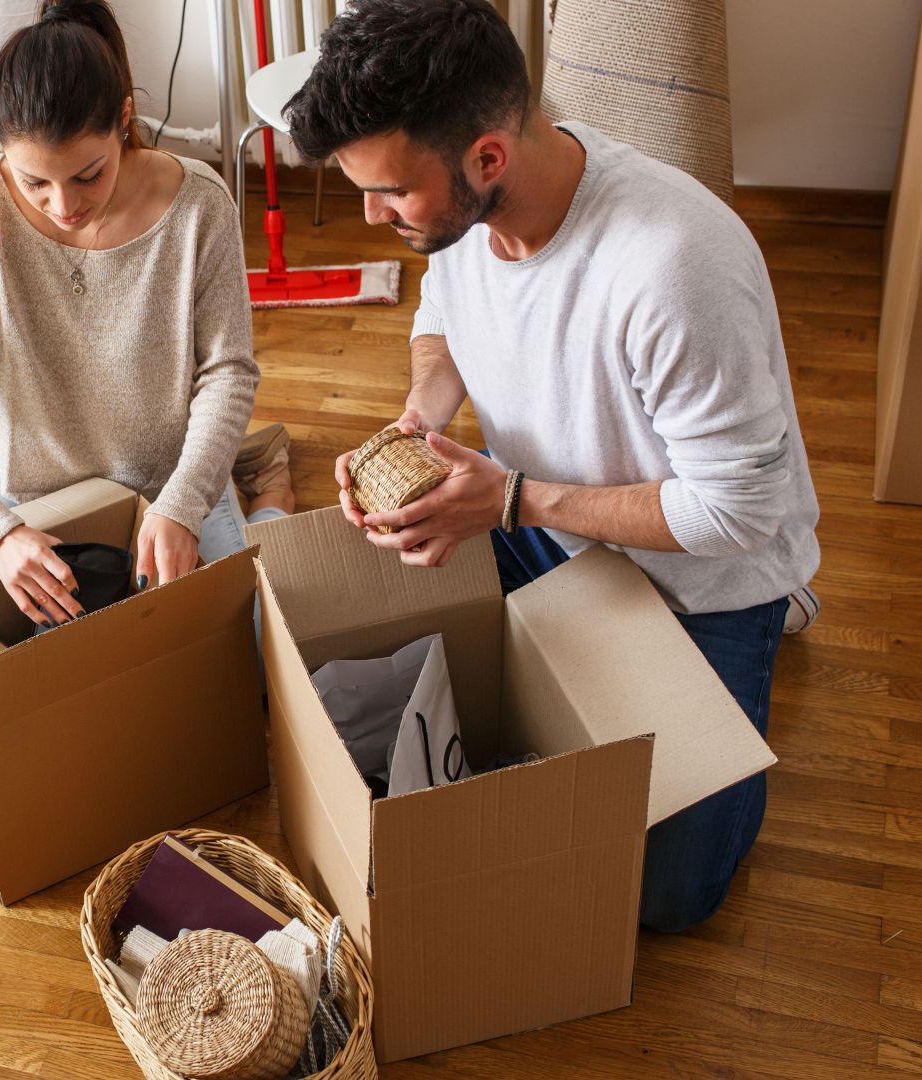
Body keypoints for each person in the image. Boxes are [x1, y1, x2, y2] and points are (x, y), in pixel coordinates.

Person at [285, 0, 821, 932]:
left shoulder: (673, 266)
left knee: (665, 899)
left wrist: (512, 501)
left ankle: (781, 617)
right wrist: (420, 421)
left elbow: (742, 514)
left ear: (487, 157)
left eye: (391, 193)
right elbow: (441, 320)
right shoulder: (461, 216)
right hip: (534, 517)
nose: (372, 217)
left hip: (696, 580)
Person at [0, 0, 292, 629]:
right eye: (33, 182)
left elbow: (229, 371)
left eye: (88, 175)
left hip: (165, 481)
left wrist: (182, 503)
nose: (61, 205)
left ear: (125, 116)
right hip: (17, 481)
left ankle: (270, 497)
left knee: (246, 659)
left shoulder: (200, 201)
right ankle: (247, 479)